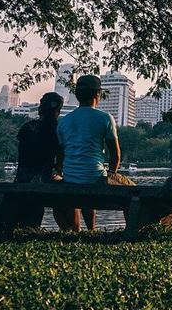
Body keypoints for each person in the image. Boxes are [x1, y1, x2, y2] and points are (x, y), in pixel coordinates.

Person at [55, 74, 134, 231]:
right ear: (98, 94)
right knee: (132, 189)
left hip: (70, 178)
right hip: (96, 177)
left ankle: (85, 230)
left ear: (77, 95)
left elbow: (61, 156)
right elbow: (116, 155)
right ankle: (94, 230)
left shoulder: (64, 121)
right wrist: (112, 174)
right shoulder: (105, 118)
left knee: (86, 182)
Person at [9, 91, 64, 229]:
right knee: (66, 186)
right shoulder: (57, 130)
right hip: (44, 177)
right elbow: (60, 160)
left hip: (22, 177)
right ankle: (72, 228)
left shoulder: (27, 127)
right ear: (58, 110)